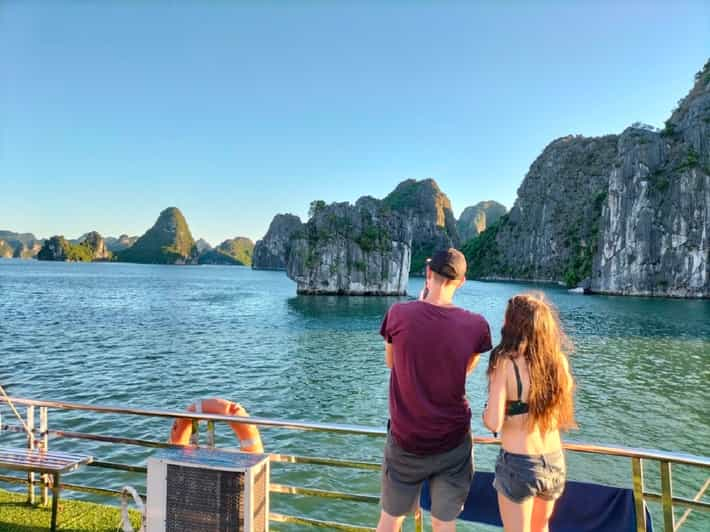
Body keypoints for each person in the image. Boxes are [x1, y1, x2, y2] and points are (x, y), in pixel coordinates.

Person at [377, 248, 492, 532]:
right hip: (453, 443)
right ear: (462, 282)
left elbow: (391, 362)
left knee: (390, 520)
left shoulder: (398, 314)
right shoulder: (477, 325)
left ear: (429, 274)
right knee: (444, 524)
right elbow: (465, 368)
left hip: (406, 440)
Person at [483, 293, 576, 532]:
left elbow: (493, 423)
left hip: (519, 463)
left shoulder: (505, 363)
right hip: (553, 459)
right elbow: (558, 412)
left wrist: (489, 412)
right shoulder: (558, 363)